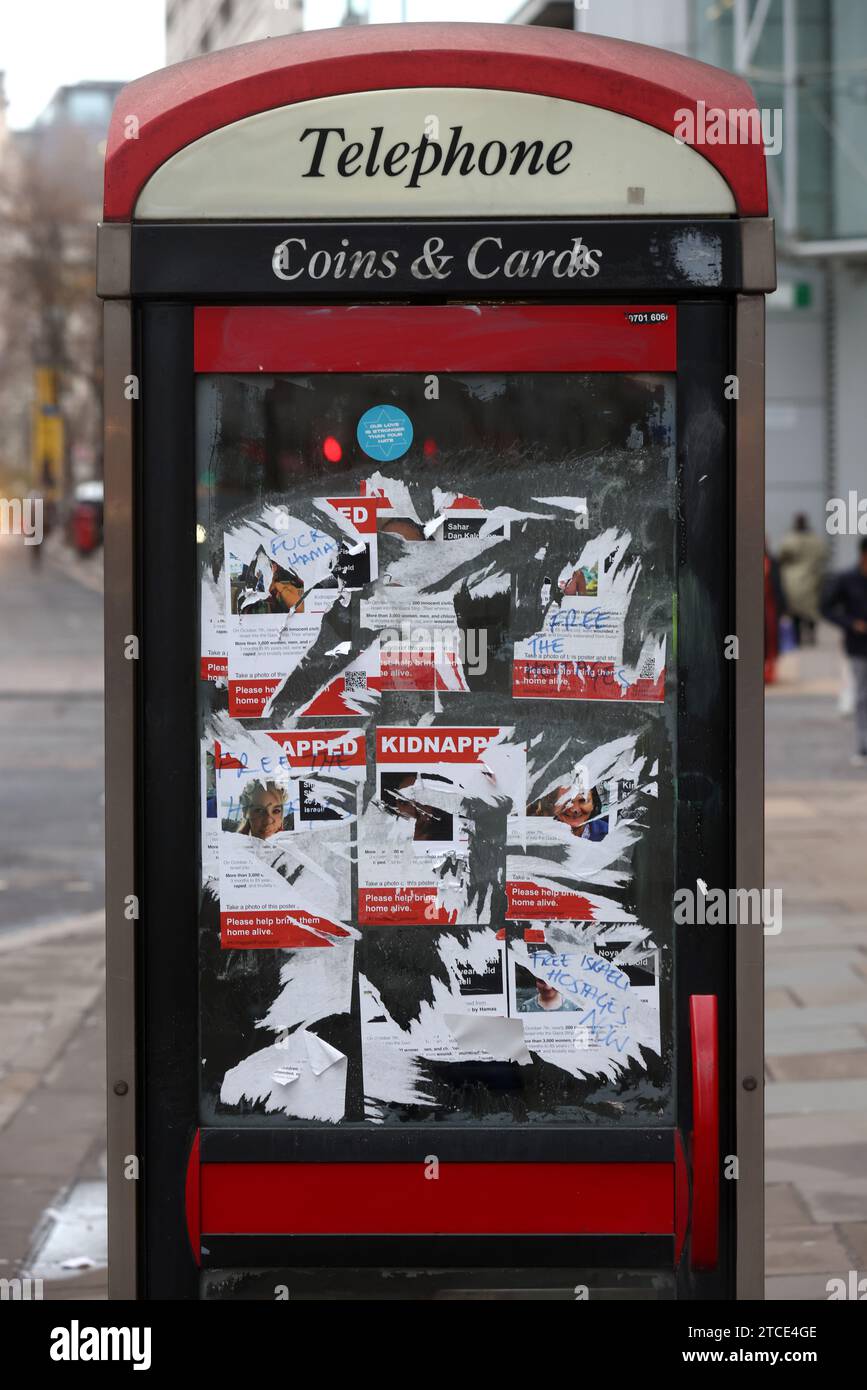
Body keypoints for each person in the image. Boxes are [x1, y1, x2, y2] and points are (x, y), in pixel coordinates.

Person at [821, 537, 867, 765]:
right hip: (859, 645)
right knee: (862, 696)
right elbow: (826, 608)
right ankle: (863, 746)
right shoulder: (847, 579)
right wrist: (851, 623)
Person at [778, 513, 826, 646]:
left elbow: (782, 555)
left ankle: (798, 637)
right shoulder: (816, 540)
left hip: (793, 580)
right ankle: (810, 635)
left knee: (795, 611)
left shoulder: (790, 539)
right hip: (811, 578)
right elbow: (823, 556)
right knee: (811, 611)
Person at [527, 782, 609, 840]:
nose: (574, 809)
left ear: (593, 805)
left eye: (583, 801)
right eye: (566, 801)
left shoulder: (609, 833)